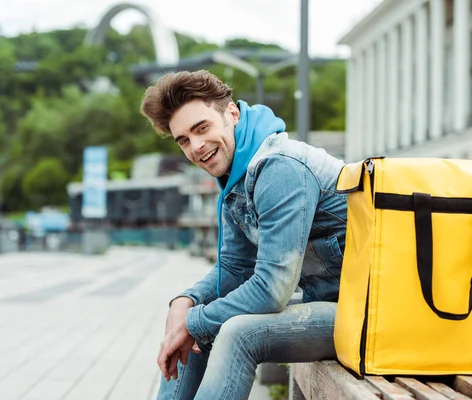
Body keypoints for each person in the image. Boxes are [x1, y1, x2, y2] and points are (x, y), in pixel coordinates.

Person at [140, 70, 347, 400]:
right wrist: (187, 300)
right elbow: (235, 269)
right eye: (183, 140)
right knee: (198, 321)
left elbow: (272, 289)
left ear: (231, 114)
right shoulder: (238, 177)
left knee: (234, 331)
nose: (196, 146)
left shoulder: (279, 167)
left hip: (365, 315)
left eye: (202, 128)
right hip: (326, 306)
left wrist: (193, 323)